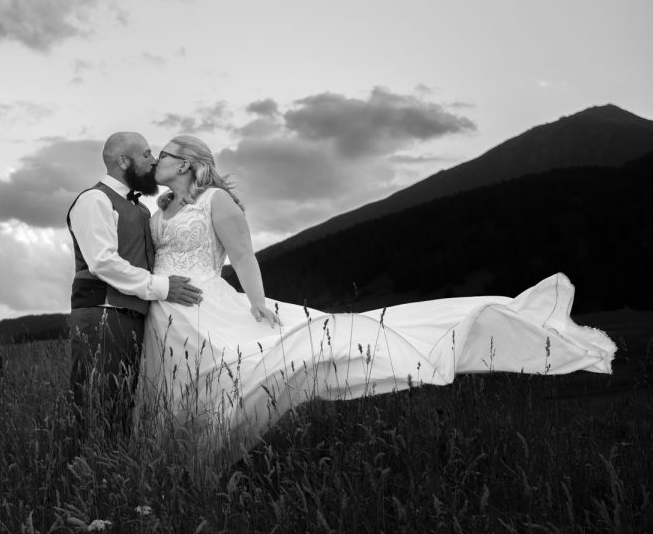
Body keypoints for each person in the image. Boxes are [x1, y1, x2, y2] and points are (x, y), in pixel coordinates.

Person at [138, 134, 617, 465]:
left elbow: (242, 255)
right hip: (166, 311)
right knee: (179, 385)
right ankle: (174, 460)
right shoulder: (159, 208)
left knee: (242, 368)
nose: (154, 161)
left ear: (185, 163)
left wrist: (259, 304)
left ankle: (201, 460)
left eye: (161, 154)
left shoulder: (215, 202)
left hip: (209, 301)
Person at [66, 131, 203, 441]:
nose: (153, 160)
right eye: (146, 154)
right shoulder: (94, 200)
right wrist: (163, 288)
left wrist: (167, 208)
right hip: (102, 314)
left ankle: (113, 477)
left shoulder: (141, 209)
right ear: (123, 160)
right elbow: (103, 262)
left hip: (132, 316)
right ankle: (83, 480)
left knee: (122, 408)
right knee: (95, 406)